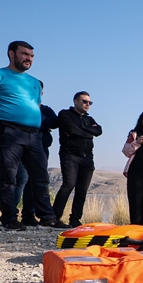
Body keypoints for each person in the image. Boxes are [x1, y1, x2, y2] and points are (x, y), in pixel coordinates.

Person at [0, 41, 68, 231]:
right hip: (8, 133)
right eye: (24, 54)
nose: (28, 58)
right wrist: (1, 123)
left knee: (40, 176)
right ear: (11, 54)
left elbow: (36, 107)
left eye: (31, 56)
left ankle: (47, 217)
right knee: (9, 176)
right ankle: (9, 218)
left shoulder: (34, 82)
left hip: (33, 135)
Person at [52, 91, 102, 227]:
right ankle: (54, 218)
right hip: (70, 155)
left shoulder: (89, 119)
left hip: (87, 157)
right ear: (75, 101)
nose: (87, 104)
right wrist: (89, 132)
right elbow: (72, 130)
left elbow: (99, 131)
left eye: (90, 102)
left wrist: (83, 128)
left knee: (82, 189)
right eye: (85, 101)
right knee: (68, 184)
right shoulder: (65, 114)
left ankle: (75, 219)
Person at [14, 99, 58, 227]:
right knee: (21, 180)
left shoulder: (46, 109)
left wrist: (39, 123)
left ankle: (28, 215)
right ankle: (11, 215)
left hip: (42, 148)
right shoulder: (23, 106)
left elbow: (55, 122)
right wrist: (43, 125)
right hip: (23, 147)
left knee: (36, 181)